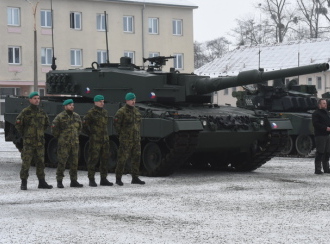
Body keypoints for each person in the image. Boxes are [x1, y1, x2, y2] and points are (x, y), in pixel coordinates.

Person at [15, 91, 53, 190]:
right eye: (35, 98)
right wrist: (26, 134)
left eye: (38, 98)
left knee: (40, 162)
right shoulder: (25, 112)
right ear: (30, 100)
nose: (37, 100)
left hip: (39, 142)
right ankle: (24, 183)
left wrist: (39, 133)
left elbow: (46, 124)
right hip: (29, 143)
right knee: (26, 162)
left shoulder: (42, 112)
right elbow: (18, 124)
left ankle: (42, 182)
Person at [114, 92, 145, 186]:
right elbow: (116, 125)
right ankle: (118, 178)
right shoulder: (121, 112)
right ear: (127, 100)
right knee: (122, 158)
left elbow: (138, 124)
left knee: (136, 157)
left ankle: (135, 177)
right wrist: (122, 135)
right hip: (126, 139)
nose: (133, 102)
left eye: (134, 100)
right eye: (132, 100)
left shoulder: (136, 111)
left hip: (136, 139)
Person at [51, 99, 83, 188]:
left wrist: (75, 137)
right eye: (69, 105)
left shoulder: (76, 116)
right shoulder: (60, 117)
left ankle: (74, 181)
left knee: (74, 163)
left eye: (72, 105)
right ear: (65, 106)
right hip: (64, 143)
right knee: (62, 162)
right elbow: (54, 130)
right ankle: (59, 181)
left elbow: (79, 128)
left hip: (74, 143)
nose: (71, 106)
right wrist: (61, 138)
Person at [82, 95, 113, 187]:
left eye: (103, 101)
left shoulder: (105, 112)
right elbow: (83, 126)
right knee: (93, 159)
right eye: (100, 101)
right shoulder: (91, 113)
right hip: (95, 140)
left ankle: (103, 178)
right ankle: (91, 179)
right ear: (95, 102)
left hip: (104, 140)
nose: (102, 103)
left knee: (105, 159)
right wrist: (91, 134)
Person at [312, 98, 330, 174]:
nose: (325, 104)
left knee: (327, 152)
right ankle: (318, 169)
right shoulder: (316, 113)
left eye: (325, 103)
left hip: (328, 135)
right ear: (319, 104)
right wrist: (325, 128)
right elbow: (316, 124)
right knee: (320, 152)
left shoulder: (327, 113)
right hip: (320, 135)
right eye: (323, 103)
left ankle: (326, 168)